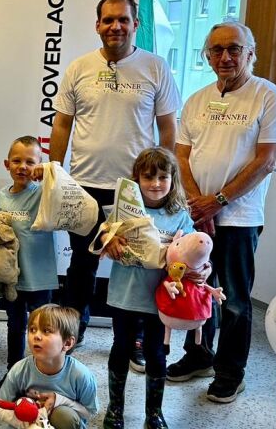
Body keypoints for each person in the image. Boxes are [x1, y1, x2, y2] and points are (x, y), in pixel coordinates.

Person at [46, 0, 181, 340]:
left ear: (136, 24)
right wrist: (54, 174)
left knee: (141, 265)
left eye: (123, 19)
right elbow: (62, 124)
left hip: (134, 190)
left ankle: (135, 338)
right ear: (97, 25)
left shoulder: (155, 67)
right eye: (108, 20)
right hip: (84, 185)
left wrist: (165, 182)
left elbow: (168, 128)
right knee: (82, 266)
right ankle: (71, 334)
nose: (115, 26)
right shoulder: (79, 67)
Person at [169, 21, 276, 404]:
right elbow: (182, 155)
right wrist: (196, 202)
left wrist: (218, 201)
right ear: (207, 56)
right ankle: (199, 356)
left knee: (235, 299)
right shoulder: (197, 100)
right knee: (196, 287)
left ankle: (230, 373)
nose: (225, 57)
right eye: (217, 50)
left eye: (234, 49)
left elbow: (266, 160)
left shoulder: (267, 96)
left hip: (240, 218)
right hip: (197, 213)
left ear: (250, 54)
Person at [100, 148, 198, 429]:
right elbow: (105, 232)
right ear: (137, 179)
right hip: (125, 295)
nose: (156, 183)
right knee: (121, 347)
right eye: (148, 177)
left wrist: (201, 268)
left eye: (163, 177)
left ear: (172, 179)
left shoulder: (179, 215)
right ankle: (115, 409)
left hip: (161, 299)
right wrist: (111, 238)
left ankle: (154, 413)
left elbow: (194, 247)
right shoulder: (125, 209)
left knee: (157, 353)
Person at [0, 136, 58, 395]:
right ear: (7, 164)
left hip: (40, 277)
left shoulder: (43, 194)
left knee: (45, 330)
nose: (22, 167)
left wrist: (48, 171)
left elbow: (63, 184)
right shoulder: (3, 196)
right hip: (14, 279)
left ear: (38, 166)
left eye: (30, 162)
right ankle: (12, 377)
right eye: (17, 161)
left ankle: (44, 379)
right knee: (15, 327)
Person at [0, 304, 99, 429]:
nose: (36, 336)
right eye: (32, 329)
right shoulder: (19, 370)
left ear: (67, 343)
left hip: (62, 422)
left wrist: (59, 400)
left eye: (46, 331)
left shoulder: (81, 375)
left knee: (63, 415)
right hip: (27, 425)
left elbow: (91, 412)